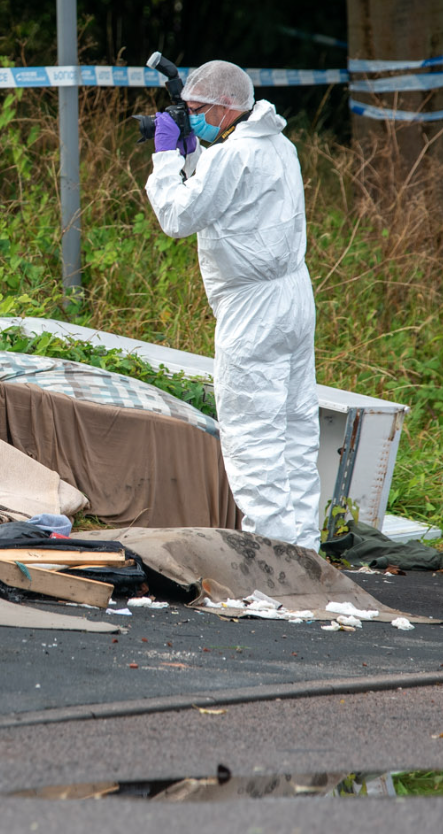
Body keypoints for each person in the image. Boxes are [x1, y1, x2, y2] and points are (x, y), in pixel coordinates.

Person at [145, 60, 322, 550]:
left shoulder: (233, 155)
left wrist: (166, 158)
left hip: (254, 308)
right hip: (292, 295)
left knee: (252, 435)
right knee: (293, 428)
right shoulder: (275, 144)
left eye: (197, 109)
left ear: (226, 107)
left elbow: (179, 216)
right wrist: (194, 152)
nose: (191, 116)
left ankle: (271, 559)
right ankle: (304, 550)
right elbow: (230, 194)